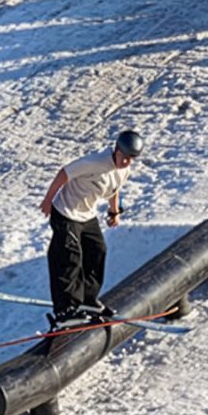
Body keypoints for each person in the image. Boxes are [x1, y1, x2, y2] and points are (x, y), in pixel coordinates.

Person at [38, 131, 146, 330]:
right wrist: (48, 200)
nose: (127, 162)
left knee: (98, 251)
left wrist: (114, 212)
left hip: (87, 216)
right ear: (116, 150)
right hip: (66, 213)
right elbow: (64, 173)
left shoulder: (123, 170)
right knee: (70, 258)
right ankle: (65, 311)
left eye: (131, 159)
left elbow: (115, 189)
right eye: (125, 157)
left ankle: (87, 300)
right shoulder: (95, 162)